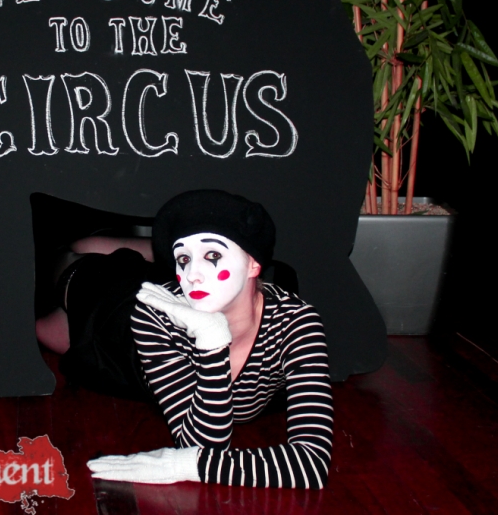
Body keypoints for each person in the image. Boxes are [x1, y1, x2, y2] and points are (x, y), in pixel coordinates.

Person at [35, 190, 333, 488]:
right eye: (183, 259)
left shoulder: (296, 321)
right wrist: (214, 344)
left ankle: (152, 255)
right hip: (118, 326)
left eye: (213, 256)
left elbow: (311, 464)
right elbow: (207, 447)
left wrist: (181, 465)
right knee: (62, 267)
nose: (192, 275)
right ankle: (113, 256)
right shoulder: (152, 317)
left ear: (254, 264)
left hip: (142, 361)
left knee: (59, 323)